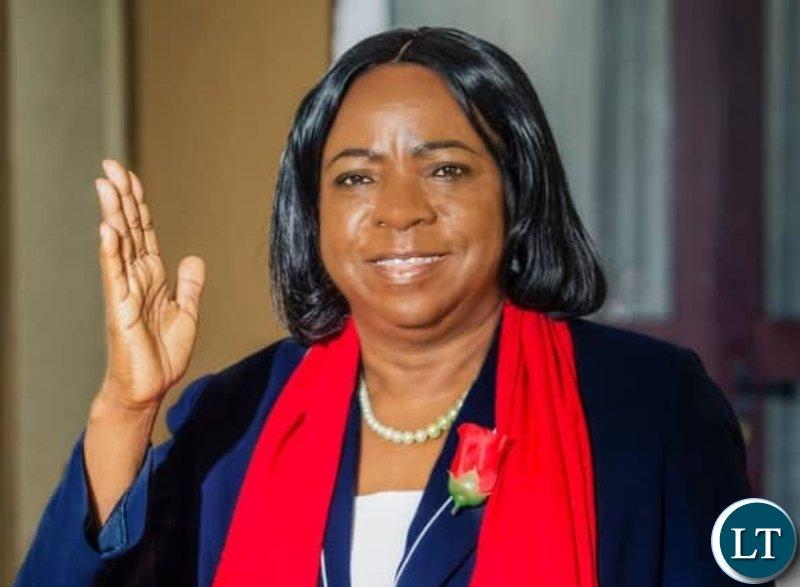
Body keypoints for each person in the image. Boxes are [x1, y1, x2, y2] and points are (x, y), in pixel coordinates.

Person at [15, 27, 762, 587]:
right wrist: (125, 407)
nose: (399, 211)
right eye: (355, 178)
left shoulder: (648, 406)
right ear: (313, 212)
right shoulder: (234, 417)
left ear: (516, 190)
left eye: (446, 169)